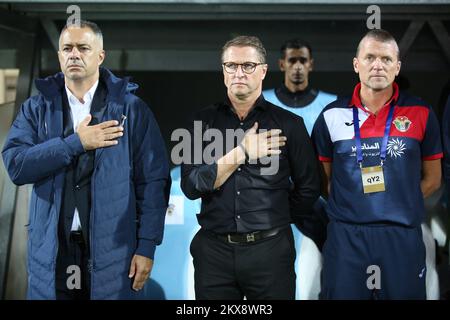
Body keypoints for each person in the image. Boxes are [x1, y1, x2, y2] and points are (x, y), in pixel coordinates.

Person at [2, 20, 171, 300]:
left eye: (83, 48)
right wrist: (76, 143)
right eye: (67, 48)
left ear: (100, 56)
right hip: (53, 253)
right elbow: (16, 166)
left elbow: (153, 182)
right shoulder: (36, 108)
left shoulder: (131, 109)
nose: (74, 54)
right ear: (59, 56)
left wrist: (147, 247)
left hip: (114, 255)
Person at [180, 35, 320, 300]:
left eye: (248, 66)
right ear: (223, 71)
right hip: (214, 254)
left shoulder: (290, 124)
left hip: (271, 252)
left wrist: (276, 216)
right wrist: (242, 152)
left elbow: (309, 188)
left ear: (264, 70)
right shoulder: (202, 122)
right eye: (231, 65)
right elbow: (190, 185)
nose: (238, 73)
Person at [312, 29, 442, 299]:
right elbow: (323, 181)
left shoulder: (421, 113)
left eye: (386, 58)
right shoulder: (332, 115)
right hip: (347, 236)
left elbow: (433, 179)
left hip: (401, 235)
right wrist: (352, 207)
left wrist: (400, 202)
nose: (377, 65)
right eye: (369, 57)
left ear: (397, 66)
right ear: (356, 64)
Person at [263, 39, 337, 299]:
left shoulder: (331, 106)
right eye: (292, 60)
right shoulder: (263, 101)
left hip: (316, 200)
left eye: (302, 60)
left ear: (311, 65)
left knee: (332, 257)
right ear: (281, 64)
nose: (297, 66)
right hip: (271, 200)